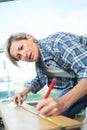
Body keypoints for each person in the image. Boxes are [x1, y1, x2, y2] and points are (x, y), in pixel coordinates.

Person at [4, 32, 87, 118]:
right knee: (53, 112)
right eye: (19, 56)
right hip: (78, 80)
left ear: (29, 37)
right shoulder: (40, 61)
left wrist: (63, 102)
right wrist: (24, 92)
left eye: (21, 48)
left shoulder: (57, 42)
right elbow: (41, 79)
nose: (24, 55)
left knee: (60, 108)